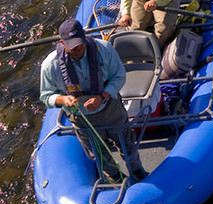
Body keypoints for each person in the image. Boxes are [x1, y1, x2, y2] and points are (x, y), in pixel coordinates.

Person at [39, 18, 145, 181]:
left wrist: (102, 96)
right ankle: (115, 177)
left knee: (127, 143)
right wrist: (63, 99)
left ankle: (137, 171)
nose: (78, 48)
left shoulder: (104, 49)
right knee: (99, 153)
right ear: (62, 42)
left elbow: (119, 76)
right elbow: (46, 96)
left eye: (80, 43)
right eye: (72, 46)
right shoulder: (50, 66)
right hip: (82, 119)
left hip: (111, 110)